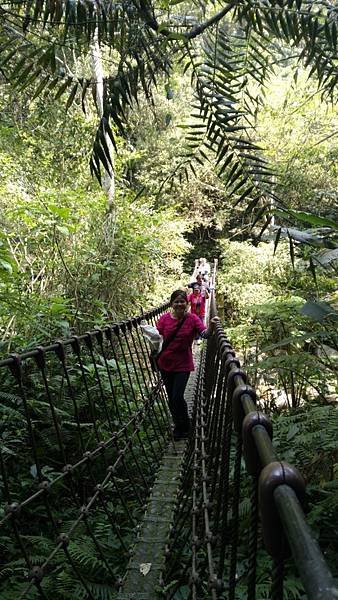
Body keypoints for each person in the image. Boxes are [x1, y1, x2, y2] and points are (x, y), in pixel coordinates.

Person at [156, 290, 218, 440]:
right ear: (171, 304)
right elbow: (156, 339)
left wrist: (211, 326)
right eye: (176, 302)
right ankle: (179, 425)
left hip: (183, 363)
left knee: (177, 396)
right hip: (165, 363)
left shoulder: (192, 319)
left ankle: (185, 425)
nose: (179, 304)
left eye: (182, 301)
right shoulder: (164, 319)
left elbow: (205, 334)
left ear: (187, 303)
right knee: (171, 398)